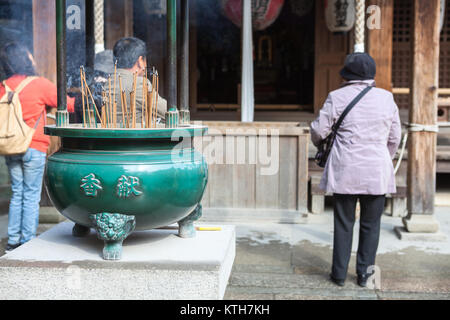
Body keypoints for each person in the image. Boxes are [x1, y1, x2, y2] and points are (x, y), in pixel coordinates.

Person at [310, 53, 401, 287]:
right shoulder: (387, 99)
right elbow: (394, 137)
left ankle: (339, 275)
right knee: (371, 226)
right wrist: (381, 158)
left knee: (343, 223)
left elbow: (319, 131)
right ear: (372, 75)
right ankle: (364, 276)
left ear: (346, 75)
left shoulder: (336, 97)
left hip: (345, 169)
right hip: (376, 171)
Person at [0, 42, 75, 252]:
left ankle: (13, 241)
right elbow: (67, 104)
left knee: (17, 193)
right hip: (33, 146)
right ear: (25, 59)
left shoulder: (4, 86)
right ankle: (28, 242)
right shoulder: (38, 84)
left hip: (11, 145)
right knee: (32, 195)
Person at [112, 37, 167, 125]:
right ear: (140, 61)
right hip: (133, 138)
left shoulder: (109, 81)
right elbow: (170, 115)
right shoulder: (138, 84)